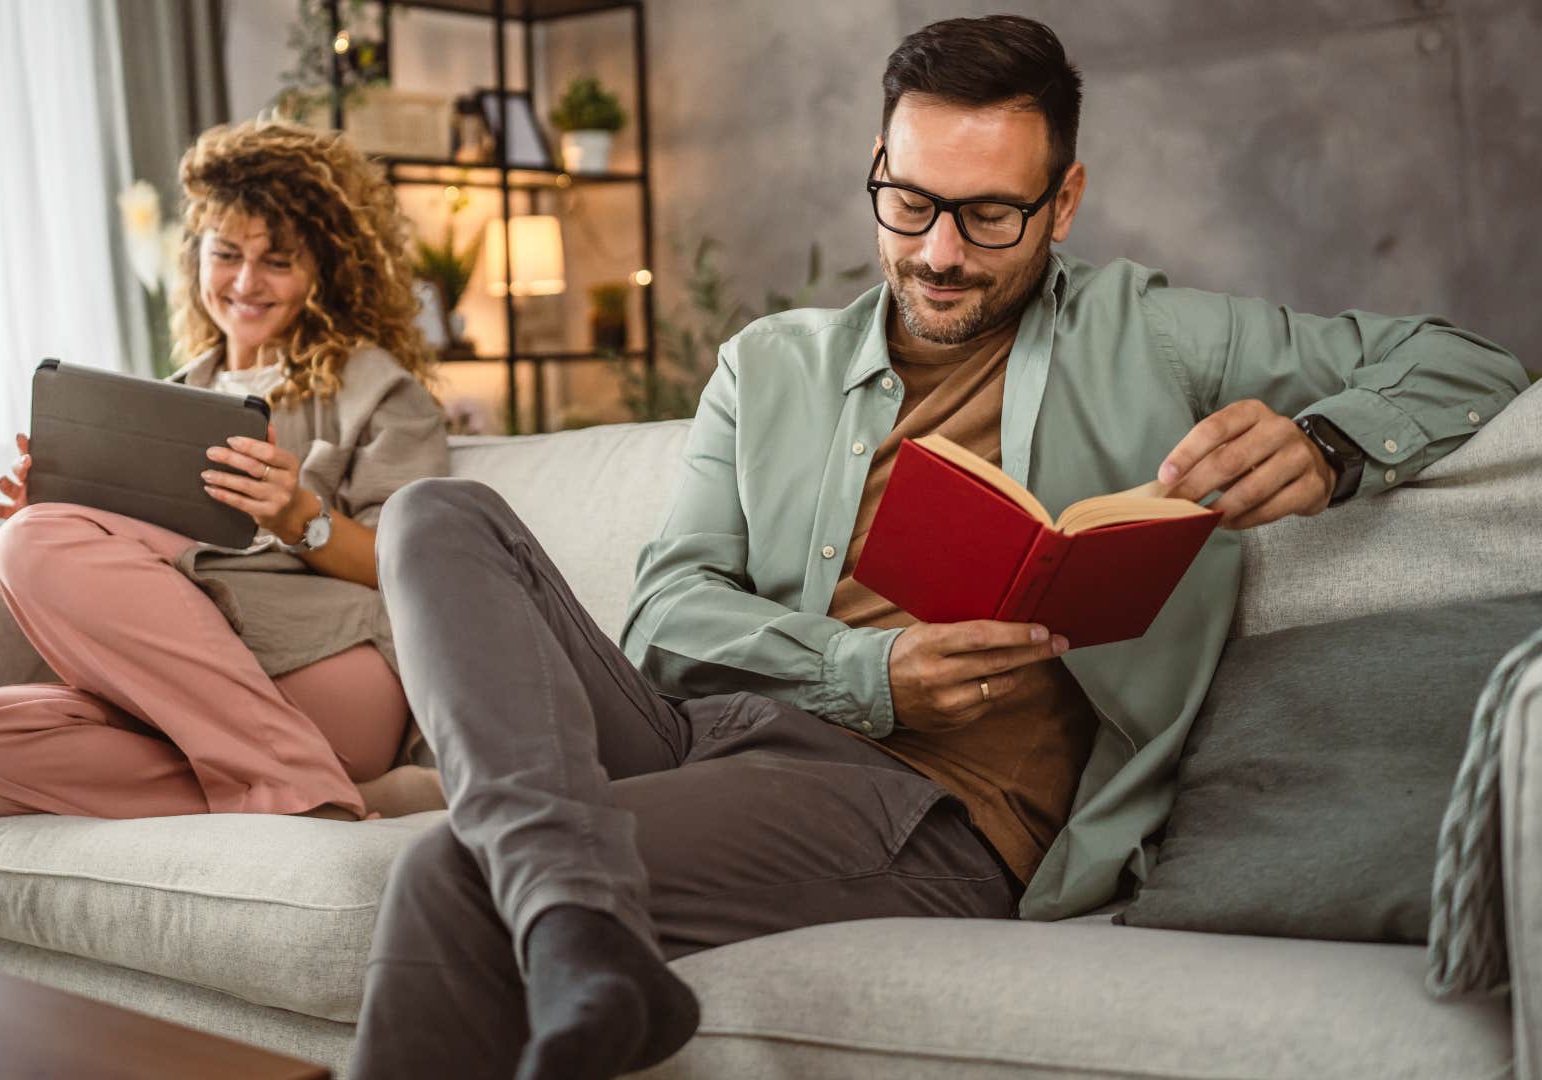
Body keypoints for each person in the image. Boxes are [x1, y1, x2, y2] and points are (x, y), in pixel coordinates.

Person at [349, 14, 1531, 1080]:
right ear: (877, 171)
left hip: (925, 804)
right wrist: (865, 671)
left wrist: (1329, 446)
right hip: (706, 731)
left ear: (1064, 203)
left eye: (989, 215)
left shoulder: (1154, 334)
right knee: (434, 517)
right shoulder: (770, 365)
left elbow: (1468, 359)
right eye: (908, 202)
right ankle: (572, 906)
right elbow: (663, 619)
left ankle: (562, 914)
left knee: (453, 875)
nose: (939, 253)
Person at [0, 120, 451, 824]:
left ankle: (296, 777)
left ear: (326, 266)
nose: (245, 281)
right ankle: (326, 795)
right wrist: (69, 506)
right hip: (183, 688)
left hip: (325, 667)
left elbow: (415, 568)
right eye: (227, 254)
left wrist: (297, 515)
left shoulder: (380, 393)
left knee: (28, 543)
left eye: (277, 260)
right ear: (197, 258)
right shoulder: (165, 401)